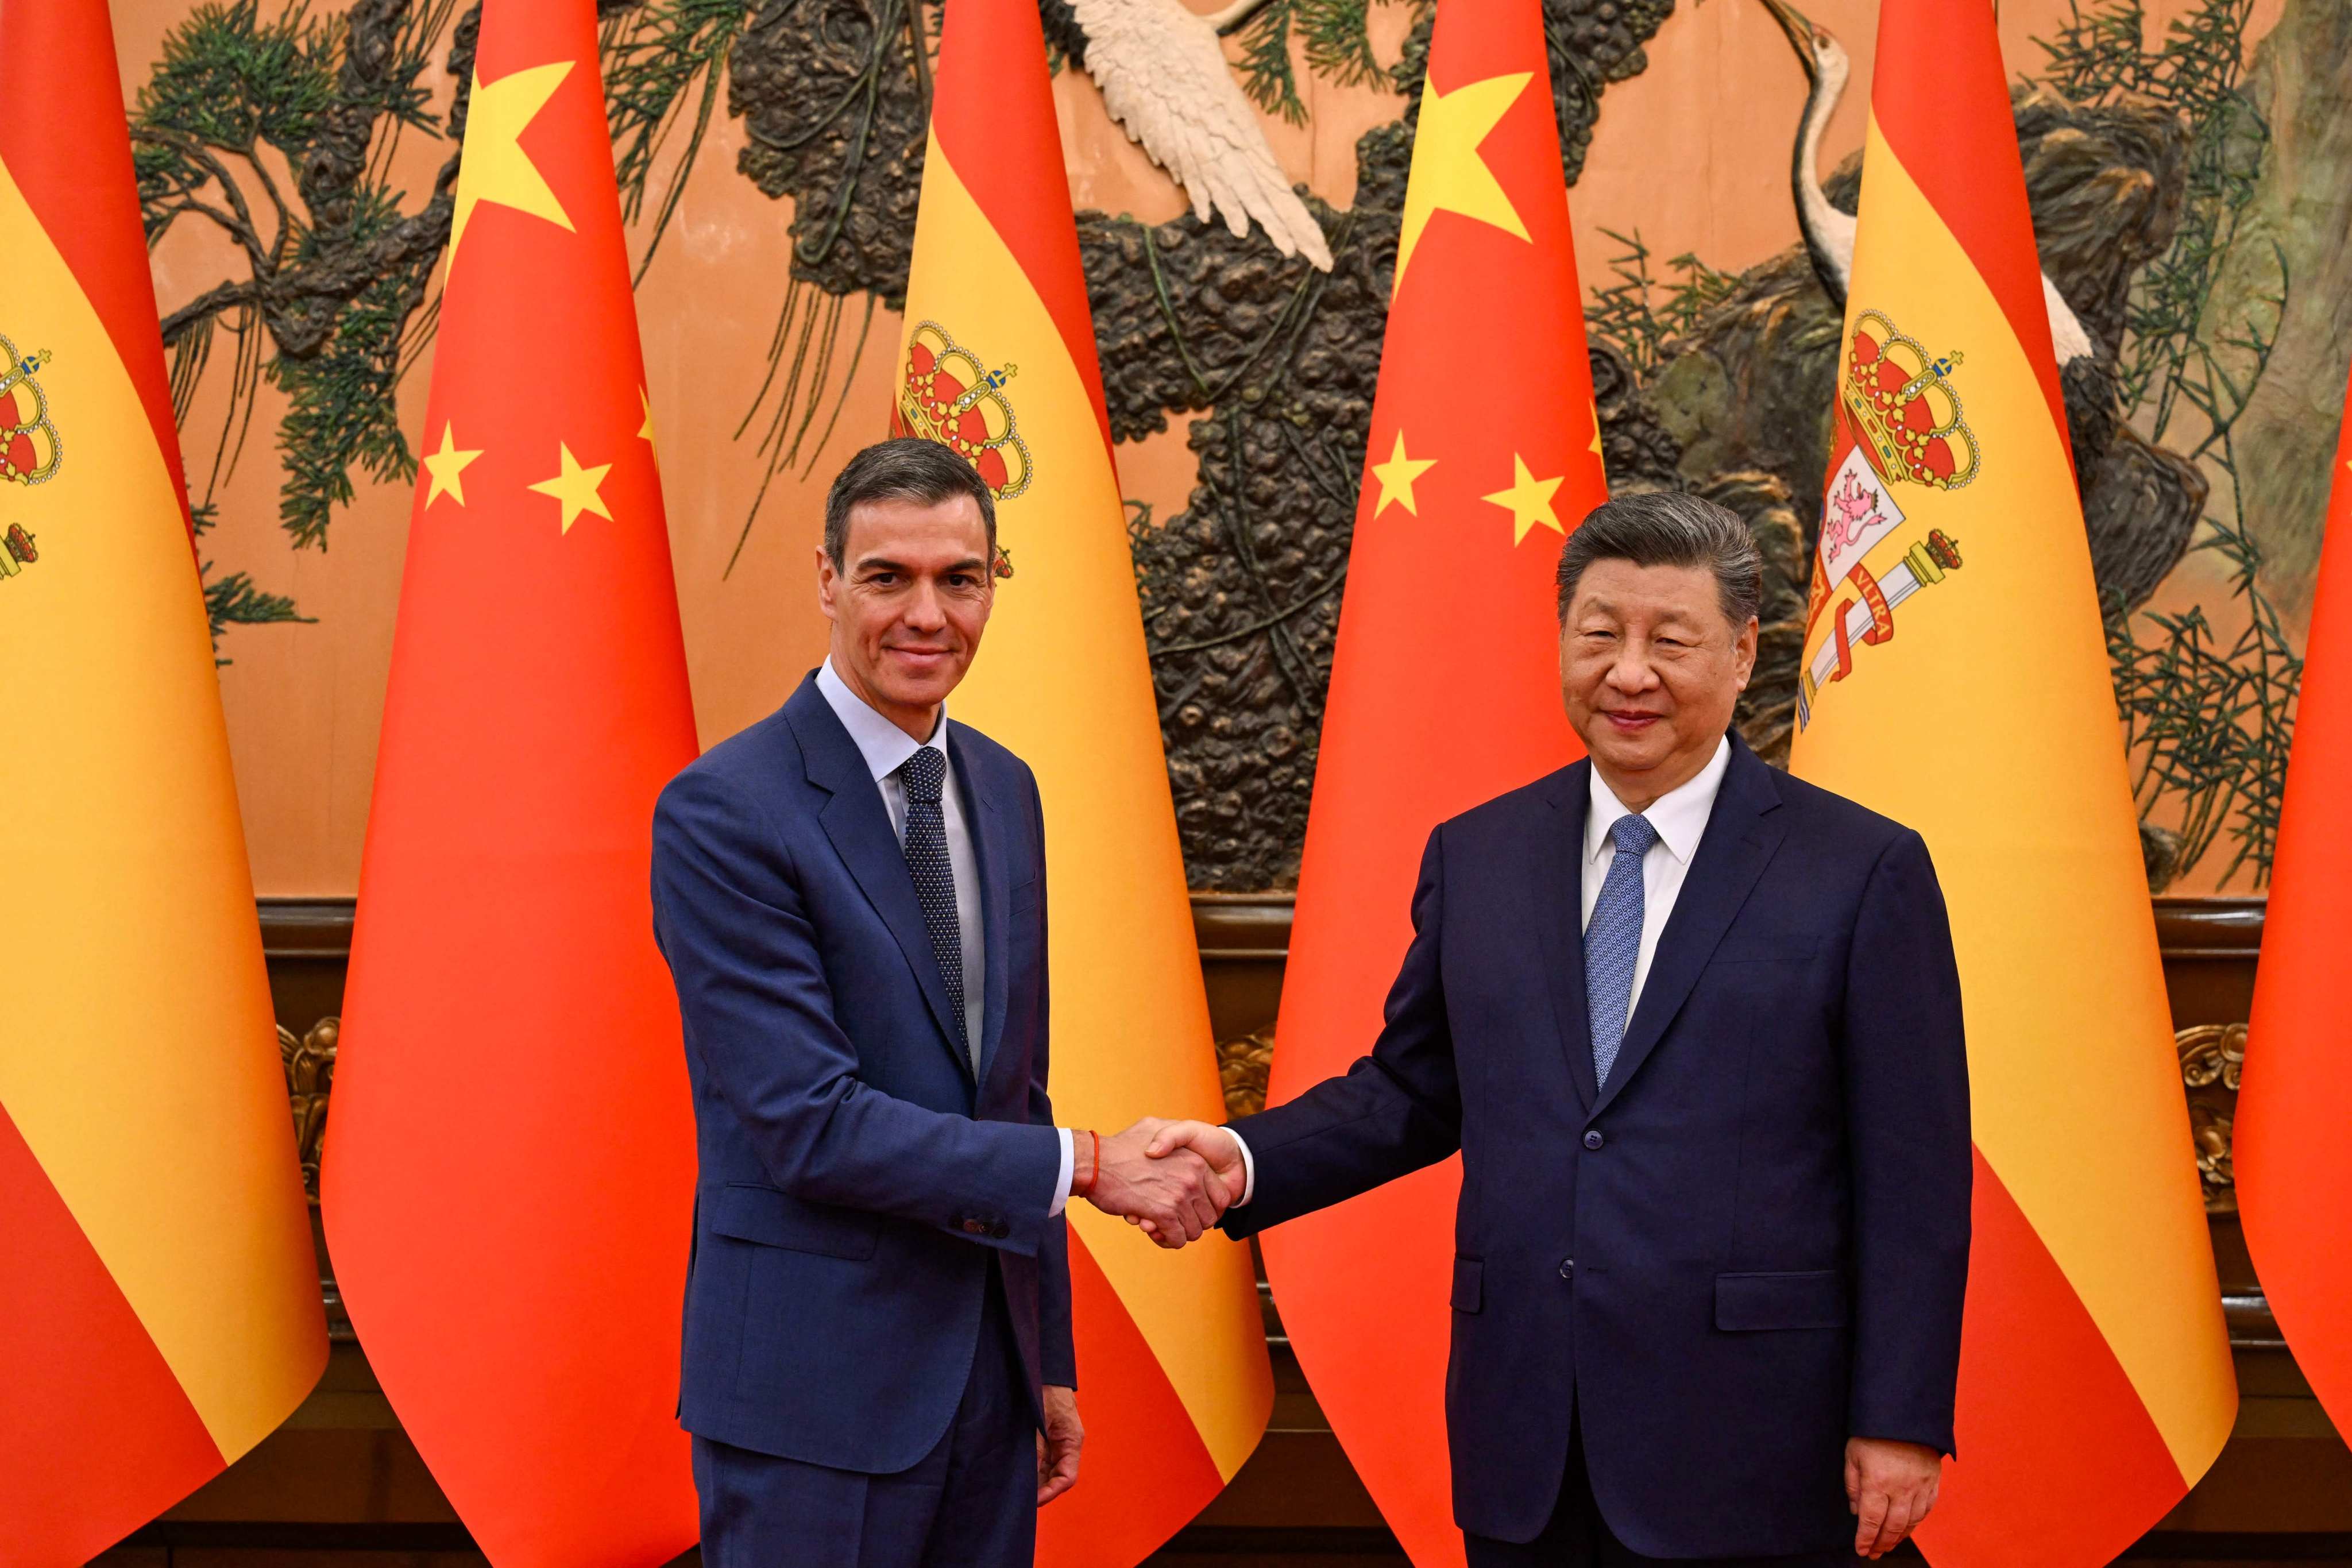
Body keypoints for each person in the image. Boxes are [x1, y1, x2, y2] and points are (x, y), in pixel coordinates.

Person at [1146, 492, 1972, 1566]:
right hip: (1527, 1438)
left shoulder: (1862, 870)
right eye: (1600, 635)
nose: (1630, 673)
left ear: (1743, 652)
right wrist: (1247, 1158)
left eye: (1670, 641)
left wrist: (1901, 1418)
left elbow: (1914, 1173)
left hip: (1759, 1441)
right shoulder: (1480, 854)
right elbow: (1410, 1091)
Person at [650, 437, 1230, 1568]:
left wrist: (1042, 1358)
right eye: (888, 577)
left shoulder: (1004, 789)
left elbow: (1011, 1092)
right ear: (826, 579)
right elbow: (809, 1126)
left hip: (983, 1386)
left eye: (958, 579)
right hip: (811, 1399)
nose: (927, 614)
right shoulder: (726, 811)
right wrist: (1095, 1166)